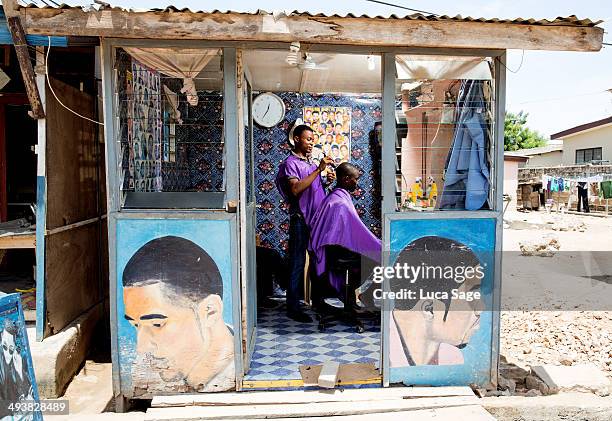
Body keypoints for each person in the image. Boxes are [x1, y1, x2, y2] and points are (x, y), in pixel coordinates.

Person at [122, 236, 235, 392]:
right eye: (136, 325)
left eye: (157, 324)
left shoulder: (239, 369)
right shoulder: (146, 368)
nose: (142, 348)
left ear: (210, 312)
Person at [389, 236, 484, 366]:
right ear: (429, 309)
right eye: (473, 296)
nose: (480, 310)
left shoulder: (454, 360)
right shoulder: (384, 357)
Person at [275, 124, 335, 323]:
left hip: (316, 219)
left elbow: (313, 189)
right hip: (300, 219)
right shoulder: (291, 163)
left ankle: (318, 302)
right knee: (297, 263)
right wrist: (319, 170)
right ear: (297, 139)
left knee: (318, 261)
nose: (311, 142)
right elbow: (296, 189)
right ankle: (293, 307)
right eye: (308, 139)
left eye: (313, 139)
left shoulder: (310, 162)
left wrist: (326, 180)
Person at [309, 163, 381, 295]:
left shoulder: (335, 197)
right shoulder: (340, 203)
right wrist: (377, 243)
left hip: (333, 250)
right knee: (377, 257)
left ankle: (351, 297)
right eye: (356, 178)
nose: (357, 183)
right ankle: (358, 295)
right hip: (335, 253)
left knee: (374, 253)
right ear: (346, 179)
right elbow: (357, 231)